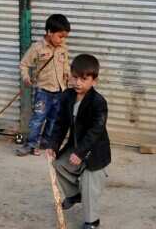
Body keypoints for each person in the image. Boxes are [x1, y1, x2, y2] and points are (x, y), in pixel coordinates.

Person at [45, 53, 110, 229]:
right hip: (76, 145)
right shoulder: (67, 96)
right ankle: (74, 195)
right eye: (75, 78)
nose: (78, 83)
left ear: (94, 81)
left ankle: (92, 221)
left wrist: (80, 152)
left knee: (89, 184)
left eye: (84, 79)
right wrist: (53, 144)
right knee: (59, 164)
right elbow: (60, 123)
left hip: (95, 151)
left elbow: (95, 132)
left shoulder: (98, 103)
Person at [16, 13, 71, 156]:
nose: (62, 40)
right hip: (43, 92)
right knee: (38, 119)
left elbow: (65, 65)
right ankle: (30, 145)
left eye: (65, 37)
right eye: (60, 36)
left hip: (60, 91)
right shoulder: (37, 48)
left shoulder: (63, 48)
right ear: (49, 32)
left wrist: (68, 76)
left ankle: (46, 142)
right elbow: (24, 64)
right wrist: (26, 78)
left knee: (53, 119)